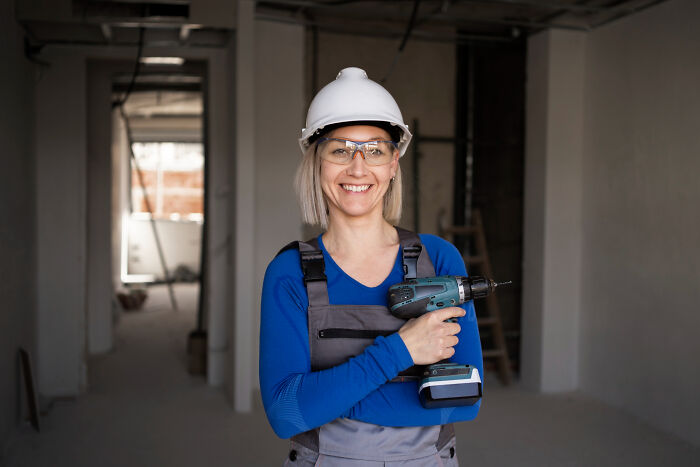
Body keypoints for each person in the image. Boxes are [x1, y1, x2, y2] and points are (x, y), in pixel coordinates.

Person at [260, 67, 483, 466]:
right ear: (317, 162)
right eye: (340, 149)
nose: (358, 168)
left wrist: (326, 400)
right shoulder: (289, 273)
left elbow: (463, 404)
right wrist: (402, 350)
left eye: (375, 150)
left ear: (394, 163)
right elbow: (284, 416)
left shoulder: (440, 260)